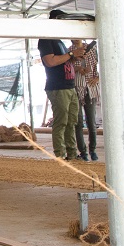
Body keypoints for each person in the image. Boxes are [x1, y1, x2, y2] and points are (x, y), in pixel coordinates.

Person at [38, 10, 85, 160]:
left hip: (70, 86)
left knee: (72, 122)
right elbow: (50, 61)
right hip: (58, 87)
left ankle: (72, 153)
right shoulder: (46, 39)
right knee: (61, 121)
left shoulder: (59, 41)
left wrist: (73, 57)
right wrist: (71, 54)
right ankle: (60, 154)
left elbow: (63, 60)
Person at [71, 39, 100, 161]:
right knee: (78, 123)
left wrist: (97, 78)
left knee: (91, 122)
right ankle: (83, 151)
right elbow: (67, 68)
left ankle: (92, 149)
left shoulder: (92, 49)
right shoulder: (69, 51)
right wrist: (78, 70)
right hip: (77, 88)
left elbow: (99, 66)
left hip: (90, 88)